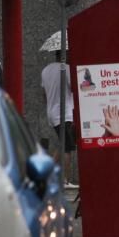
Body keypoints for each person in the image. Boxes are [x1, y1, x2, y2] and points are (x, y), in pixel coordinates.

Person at [41, 52, 75, 181]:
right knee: (67, 148)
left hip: (52, 112)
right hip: (65, 113)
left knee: (62, 144)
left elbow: (43, 94)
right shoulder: (66, 69)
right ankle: (65, 180)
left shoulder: (45, 70)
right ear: (65, 55)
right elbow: (75, 88)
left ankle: (47, 172)